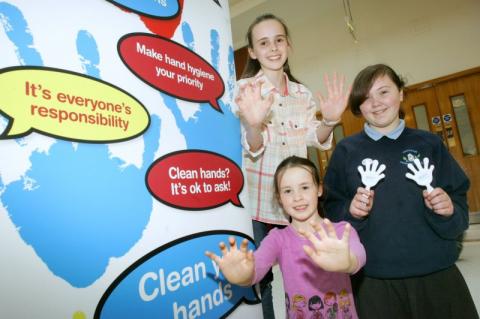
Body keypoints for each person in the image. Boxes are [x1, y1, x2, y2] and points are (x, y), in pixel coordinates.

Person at [323, 63, 479, 319]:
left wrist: (448, 209)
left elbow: (458, 208)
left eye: (384, 92)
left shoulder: (429, 144)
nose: (376, 103)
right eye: (366, 97)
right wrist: (351, 212)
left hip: (437, 272)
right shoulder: (346, 152)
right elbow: (331, 210)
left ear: (401, 93)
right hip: (374, 279)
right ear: (358, 107)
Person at [235, 13, 350, 318]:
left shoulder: (302, 93)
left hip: (297, 202)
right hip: (260, 203)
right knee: (262, 277)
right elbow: (251, 147)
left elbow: (316, 137)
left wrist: (329, 120)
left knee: (306, 269)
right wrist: (254, 125)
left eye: (279, 40)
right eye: (263, 43)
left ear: (288, 44)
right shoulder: (245, 91)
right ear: (252, 51)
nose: (273, 48)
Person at [206, 156, 366, 319]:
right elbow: (257, 266)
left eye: (304, 187)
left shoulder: (340, 231)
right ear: (279, 198)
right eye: (288, 191)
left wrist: (348, 262)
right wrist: (244, 275)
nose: (297, 197)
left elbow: (358, 255)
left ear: (319, 189)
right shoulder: (277, 238)